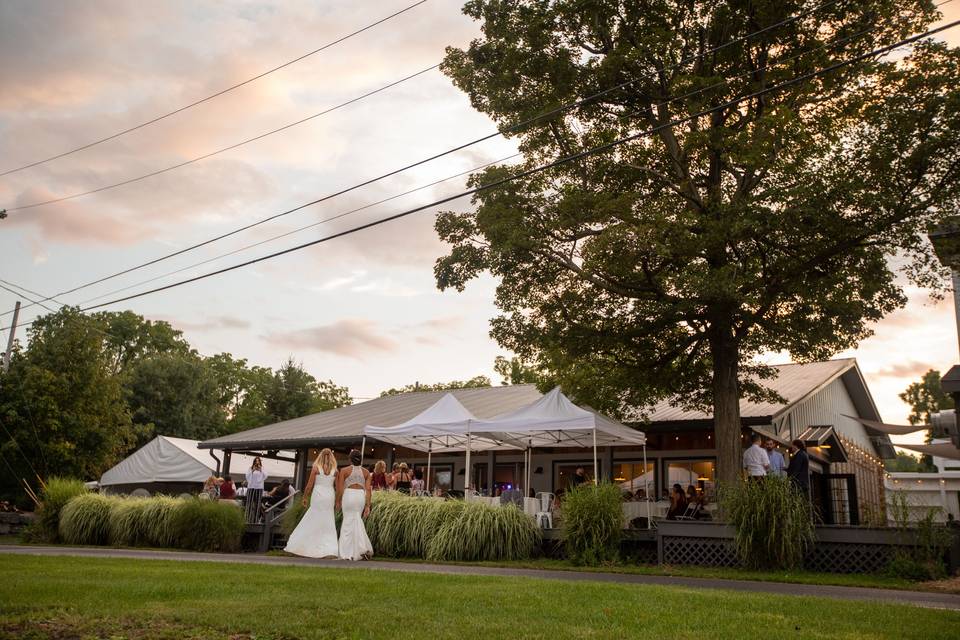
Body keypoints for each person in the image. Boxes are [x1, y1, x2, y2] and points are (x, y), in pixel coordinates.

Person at [285, 448, 339, 559]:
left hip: (318, 494)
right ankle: (329, 549)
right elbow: (338, 488)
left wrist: (304, 497)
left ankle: (302, 545)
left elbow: (309, 485)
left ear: (320, 456)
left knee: (313, 517)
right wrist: (338, 501)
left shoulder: (316, 468)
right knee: (327, 520)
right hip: (329, 495)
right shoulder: (335, 471)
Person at [336, 449, 374, 560]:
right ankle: (362, 548)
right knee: (357, 519)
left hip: (348, 496)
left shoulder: (344, 470)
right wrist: (367, 505)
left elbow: (340, 489)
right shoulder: (366, 472)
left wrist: (337, 501)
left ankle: (346, 553)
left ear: (350, 459)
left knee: (348, 522)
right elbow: (368, 490)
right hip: (360, 497)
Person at [245, 457, 268, 522]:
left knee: (258, 504)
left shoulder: (262, 468)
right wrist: (253, 470)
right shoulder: (250, 468)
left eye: (258, 461)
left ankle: (256, 519)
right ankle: (247, 519)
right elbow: (247, 477)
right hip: (251, 487)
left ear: (260, 462)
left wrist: (261, 470)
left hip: (259, 487)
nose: (257, 462)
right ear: (254, 462)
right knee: (249, 503)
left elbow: (266, 476)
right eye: (256, 461)